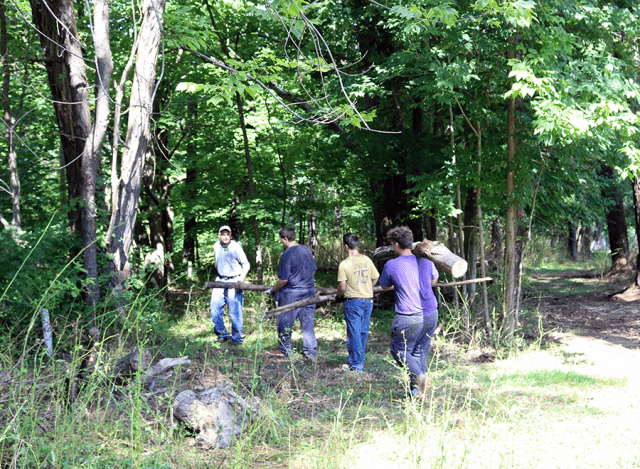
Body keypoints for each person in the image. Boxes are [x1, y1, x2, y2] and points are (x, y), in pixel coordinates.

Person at [379, 226, 438, 396]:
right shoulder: (426, 261)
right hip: (431, 313)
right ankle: (418, 392)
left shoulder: (392, 264)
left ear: (397, 245)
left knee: (399, 350)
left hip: (409, 315)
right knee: (419, 351)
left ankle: (420, 378)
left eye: (392, 245)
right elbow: (434, 280)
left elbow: (384, 285)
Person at [265, 227, 318, 360]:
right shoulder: (306, 249)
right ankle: (311, 353)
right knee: (308, 324)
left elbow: (283, 280)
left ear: (286, 239)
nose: (281, 243)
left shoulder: (287, 254)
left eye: (281, 240)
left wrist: (272, 290)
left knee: (285, 322)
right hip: (310, 291)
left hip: (291, 293)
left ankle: (284, 350)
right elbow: (313, 270)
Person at [336, 233, 379, 372]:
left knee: (354, 333)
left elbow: (342, 287)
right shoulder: (366, 260)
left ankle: (356, 364)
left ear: (345, 246)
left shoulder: (344, 264)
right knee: (362, 332)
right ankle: (358, 360)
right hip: (368, 301)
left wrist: (338, 297)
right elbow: (376, 276)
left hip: (353, 302)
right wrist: (367, 288)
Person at [210, 225, 250, 345]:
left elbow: (246, 265)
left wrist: (240, 280)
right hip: (220, 280)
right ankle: (223, 335)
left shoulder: (235, 247)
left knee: (235, 311)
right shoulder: (216, 246)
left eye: (227, 234)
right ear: (219, 235)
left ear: (230, 235)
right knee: (215, 309)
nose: (225, 236)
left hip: (234, 280)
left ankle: (237, 339)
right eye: (223, 234)